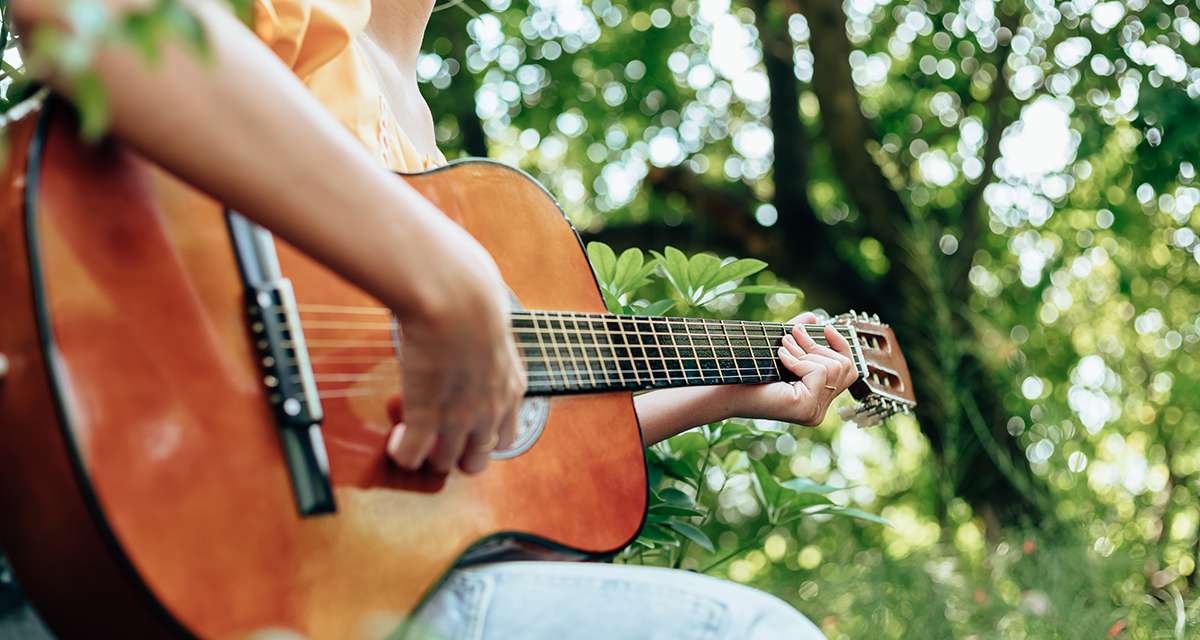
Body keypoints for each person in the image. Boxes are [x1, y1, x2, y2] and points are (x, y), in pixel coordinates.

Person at [3, 0, 859, 637]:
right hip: (192, 539)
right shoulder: (304, 16)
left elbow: (514, 461)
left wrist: (728, 388)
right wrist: (443, 276)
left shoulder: (418, 137)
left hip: (347, 578)